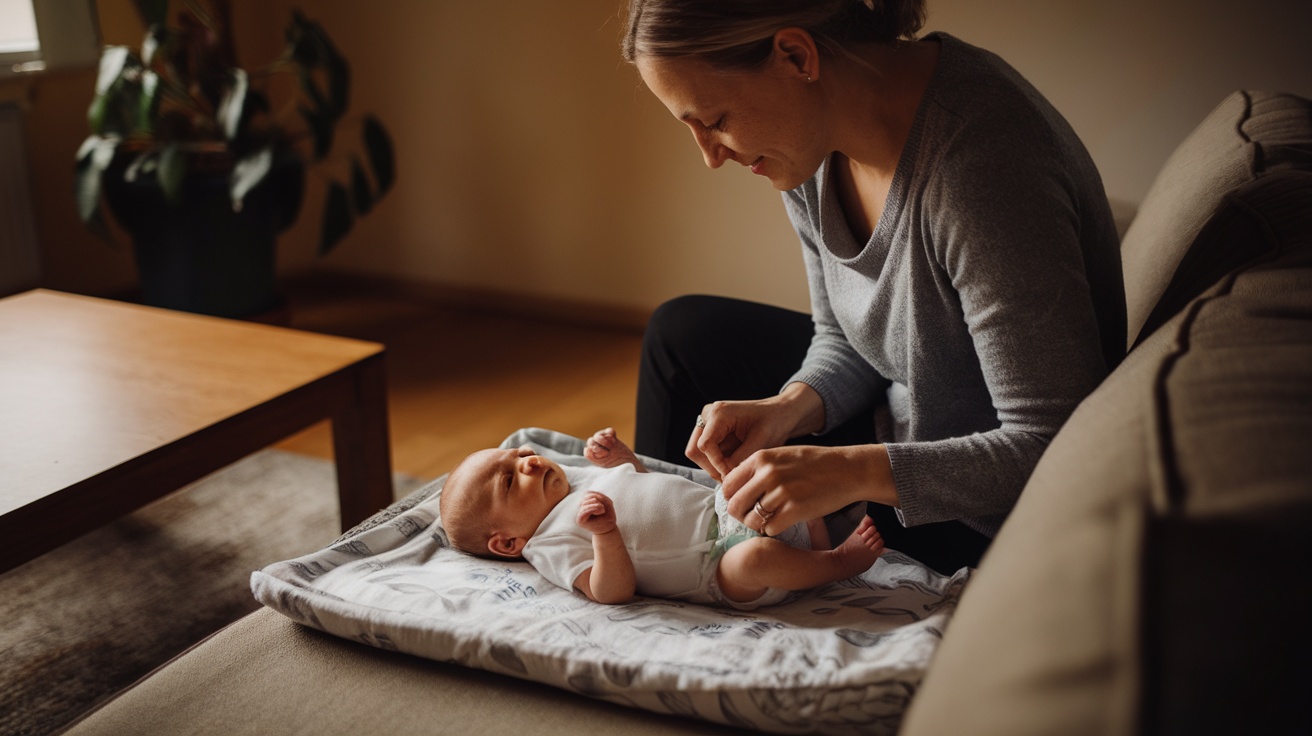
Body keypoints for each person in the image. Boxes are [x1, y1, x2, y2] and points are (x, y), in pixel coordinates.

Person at [623, 0, 1126, 574]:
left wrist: (849, 471)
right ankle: (664, 552)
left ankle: (683, 582)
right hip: (904, 416)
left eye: (714, 121)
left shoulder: (984, 168)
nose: (711, 156)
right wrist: (788, 409)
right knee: (681, 336)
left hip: (984, 507)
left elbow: (1051, 445)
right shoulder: (809, 144)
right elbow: (846, 335)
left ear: (795, 55)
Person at [438, 428, 886, 607]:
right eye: (511, 481)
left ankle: (821, 528)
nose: (530, 462)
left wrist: (624, 459)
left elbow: (649, 487)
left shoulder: (573, 479)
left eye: (521, 454)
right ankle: (835, 564)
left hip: (727, 510)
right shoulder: (547, 542)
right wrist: (606, 535)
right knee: (752, 560)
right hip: (717, 567)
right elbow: (608, 591)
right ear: (507, 543)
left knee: (771, 468)